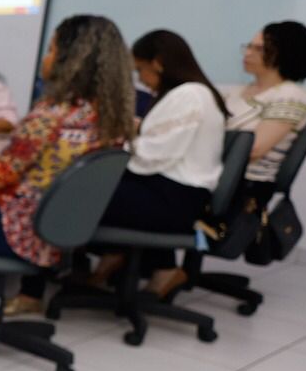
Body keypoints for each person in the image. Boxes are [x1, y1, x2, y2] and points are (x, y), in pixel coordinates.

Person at [0, 15, 134, 316]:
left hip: (12, 230)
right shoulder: (109, 120)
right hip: (53, 233)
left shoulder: (51, 114)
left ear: (71, 61)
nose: (46, 57)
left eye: (51, 49)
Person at [94, 30, 228, 296]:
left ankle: (104, 262)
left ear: (158, 63)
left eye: (140, 69)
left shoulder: (188, 95)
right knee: (95, 186)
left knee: (80, 193)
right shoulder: (192, 93)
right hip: (177, 194)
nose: (141, 79)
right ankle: (144, 266)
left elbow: (151, 157)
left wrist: (120, 141)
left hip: (173, 200)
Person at [226, 20, 306, 199]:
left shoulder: (290, 95)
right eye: (248, 46)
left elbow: (253, 150)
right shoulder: (236, 91)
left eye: (259, 49)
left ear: (284, 54)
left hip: (245, 186)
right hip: (216, 176)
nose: (248, 53)